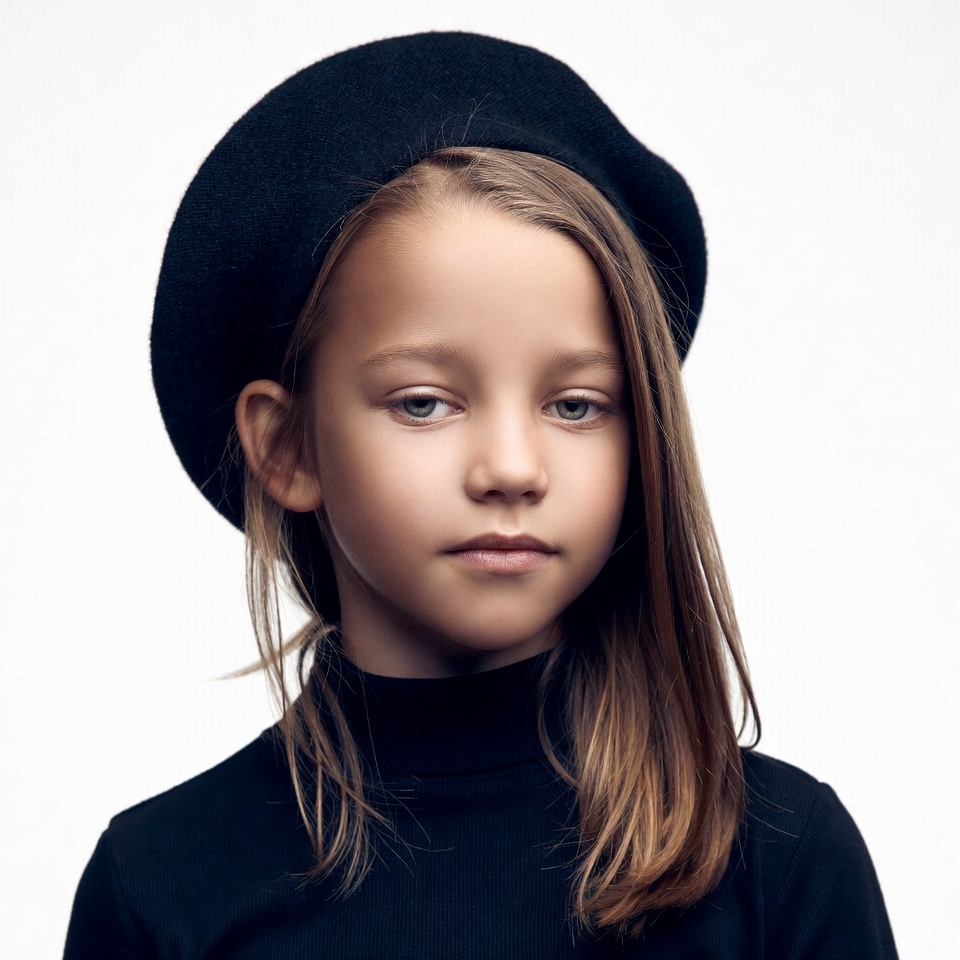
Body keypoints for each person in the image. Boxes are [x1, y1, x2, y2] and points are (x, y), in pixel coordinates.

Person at [64, 32, 897, 958]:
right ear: (288, 445)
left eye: (576, 405)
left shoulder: (779, 863)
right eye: (424, 403)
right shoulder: (162, 887)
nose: (511, 466)